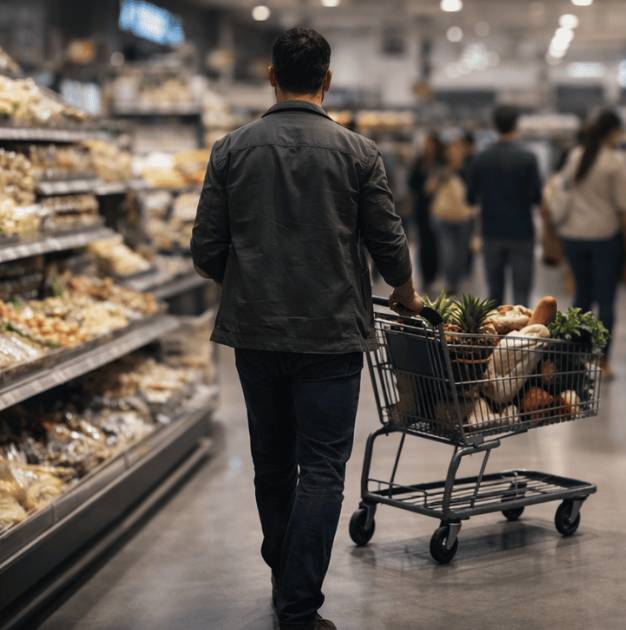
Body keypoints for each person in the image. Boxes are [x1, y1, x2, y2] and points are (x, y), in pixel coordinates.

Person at [190, 27, 422, 630]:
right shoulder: (358, 152)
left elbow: (206, 247)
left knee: (271, 459)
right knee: (322, 466)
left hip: (256, 332)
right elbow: (387, 240)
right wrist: (403, 289)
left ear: (271, 76)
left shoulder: (230, 149)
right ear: (327, 80)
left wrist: (249, 284)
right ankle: (299, 605)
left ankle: (282, 576)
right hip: (331, 333)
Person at [550, 109, 626, 378]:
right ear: (612, 132)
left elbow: (562, 190)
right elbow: (625, 205)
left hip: (574, 237)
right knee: (607, 301)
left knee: (581, 299)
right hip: (604, 237)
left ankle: (577, 360)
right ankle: (604, 361)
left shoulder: (577, 156)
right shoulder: (614, 161)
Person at [466, 105, 542, 307]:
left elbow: (470, 198)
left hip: (492, 232)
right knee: (521, 296)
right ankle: (522, 337)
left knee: (494, 295)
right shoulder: (528, 158)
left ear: (494, 126)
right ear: (516, 125)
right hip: (522, 232)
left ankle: (495, 337)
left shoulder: (481, 159)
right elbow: (536, 197)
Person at [430, 136, 475, 292]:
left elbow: (475, 191)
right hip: (443, 217)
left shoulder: (469, 168)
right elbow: (429, 188)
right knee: (447, 252)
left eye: (458, 149)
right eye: (452, 150)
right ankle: (449, 282)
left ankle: (454, 283)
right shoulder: (442, 169)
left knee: (461, 254)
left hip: (463, 217)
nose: (455, 153)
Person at [407, 133, 443, 293]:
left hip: (440, 210)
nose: (428, 147)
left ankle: (435, 275)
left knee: (437, 245)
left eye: (431, 144)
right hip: (422, 209)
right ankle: (426, 277)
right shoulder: (419, 161)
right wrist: (424, 187)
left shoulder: (442, 162)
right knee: (423, 244)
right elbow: (411, 183)